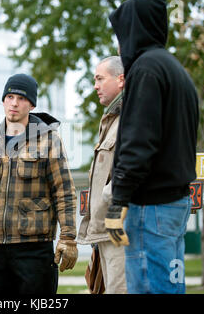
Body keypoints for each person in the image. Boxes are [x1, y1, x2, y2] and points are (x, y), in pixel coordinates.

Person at [105, 0, 199, 294]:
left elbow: (138, 144)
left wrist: (118, 201)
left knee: (149, 289)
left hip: (150, 207)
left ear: (134, 30)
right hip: (174, 204)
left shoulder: (145, 70)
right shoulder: (175, 70)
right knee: (169, 288)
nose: (120, 45)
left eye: (121, 35)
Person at [0, 73, 78, 294]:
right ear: (3, 100)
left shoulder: (50, 141)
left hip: (34, 250)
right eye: (10, 96)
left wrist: (68, 237)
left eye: (22, 98)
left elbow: (64, 192)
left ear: (31, 104)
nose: (14, 103)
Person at [77, 56, 127, 294]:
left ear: (121, 80)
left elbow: (128, 171)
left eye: (100, 78)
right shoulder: (111, 119)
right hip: (105, 232)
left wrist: (110, 205)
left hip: (118, 230)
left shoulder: (129, 118)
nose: (95, 85)